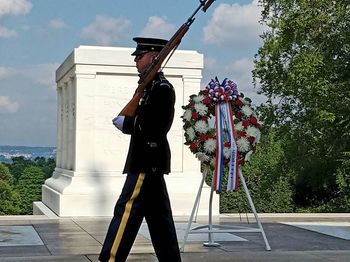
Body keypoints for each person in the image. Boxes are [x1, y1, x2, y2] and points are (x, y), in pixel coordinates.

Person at [99, 37, 181, 262]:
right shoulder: (149, 87)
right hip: (149, 161)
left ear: (154, 58)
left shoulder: (162, 89)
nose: (135, 60)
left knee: (125, 213)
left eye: (140, 56)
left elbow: (157, 127)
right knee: (160, 220)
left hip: (146, 161)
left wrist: (127, 124)